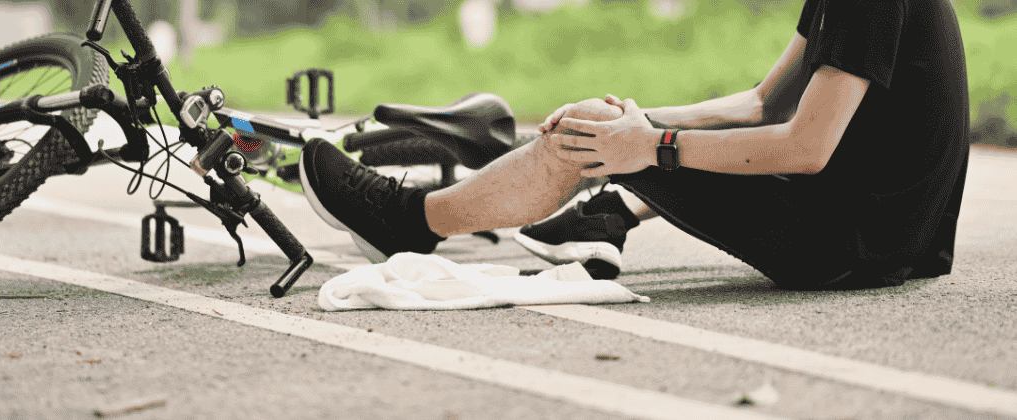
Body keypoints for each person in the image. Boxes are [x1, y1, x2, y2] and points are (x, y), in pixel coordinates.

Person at [299, 0, 970, 290]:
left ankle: (408, 221)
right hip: (878, 236)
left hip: (847, 245)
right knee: (607, 126)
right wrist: (640, 118)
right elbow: (758, 103)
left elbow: (806, 146)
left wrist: (651, 148)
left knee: (599, 136)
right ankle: (435, 214)